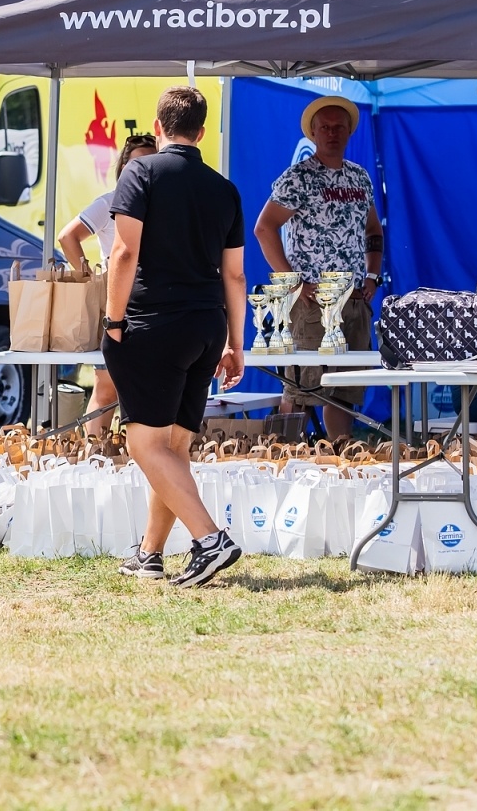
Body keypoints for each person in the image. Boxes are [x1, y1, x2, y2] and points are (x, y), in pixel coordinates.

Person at [102, 86, 246, 587]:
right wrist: (235, 343)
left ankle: (210, 539)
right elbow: (235, 277)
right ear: (202, 132)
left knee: (145, 444)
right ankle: (150, 554)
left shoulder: (139, 171)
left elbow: (123, 253)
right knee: (174, 447)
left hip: (151, 322)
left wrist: (112, 320)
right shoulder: (224, 188)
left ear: (158, 128)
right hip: (206, 326)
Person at [252, 96, 382, 440]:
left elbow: (373, 230)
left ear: (350, 131)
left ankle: (340, 455)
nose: (332, 133)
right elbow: (264, 229)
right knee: (300, 388)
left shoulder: (360, 178)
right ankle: (284, 457)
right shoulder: (298, 178)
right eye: (324, 127)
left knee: (344, 392)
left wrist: (372, 275)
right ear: (312, 132)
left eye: (339, 127)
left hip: (353, 301)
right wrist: (294, 283)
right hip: (312, 304)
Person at [57, 133, 157, 440]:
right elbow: (67, 237)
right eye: (136, 162)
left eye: (150, 162)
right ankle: (94, 456)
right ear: (124, 166)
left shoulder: (163, 204)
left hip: (154, 308)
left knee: (148, 388)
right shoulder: (110, 202)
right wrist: (89, 277)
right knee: (107, 387)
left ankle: (132, 457)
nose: (143, 169)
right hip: (117, 308)